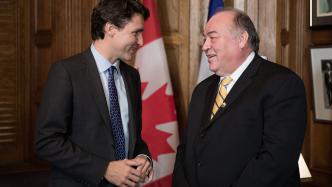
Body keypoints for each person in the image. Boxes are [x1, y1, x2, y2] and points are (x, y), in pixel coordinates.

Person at [173, 8, 307, 187]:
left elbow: (276, 161)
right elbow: (186, 152)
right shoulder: (202, 90)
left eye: (212, 37)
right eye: (205, 39)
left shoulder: (282, 84)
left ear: (242, 39)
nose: (204, 46)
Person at [34, 0, 153, 186]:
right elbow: (46, 141)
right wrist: (104, 169)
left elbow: (134, 137)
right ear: (110, 29)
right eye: (135, 33)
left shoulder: (132, 76)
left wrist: (143, 157)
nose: (141, 41)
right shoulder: (66, 72)